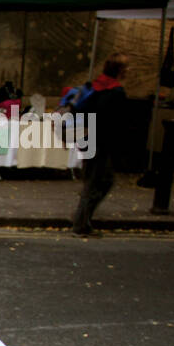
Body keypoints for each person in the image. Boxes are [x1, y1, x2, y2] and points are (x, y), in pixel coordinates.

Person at [71, 52, 129, 239]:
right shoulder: (116, 92)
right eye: (126, 67)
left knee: (95, 180)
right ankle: (80, 223)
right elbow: (114, 122)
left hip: (87, 137)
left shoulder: (95, 86)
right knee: (98, 181)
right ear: (120, 70)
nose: (128, 70)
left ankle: (82, 219)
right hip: (101, 141)